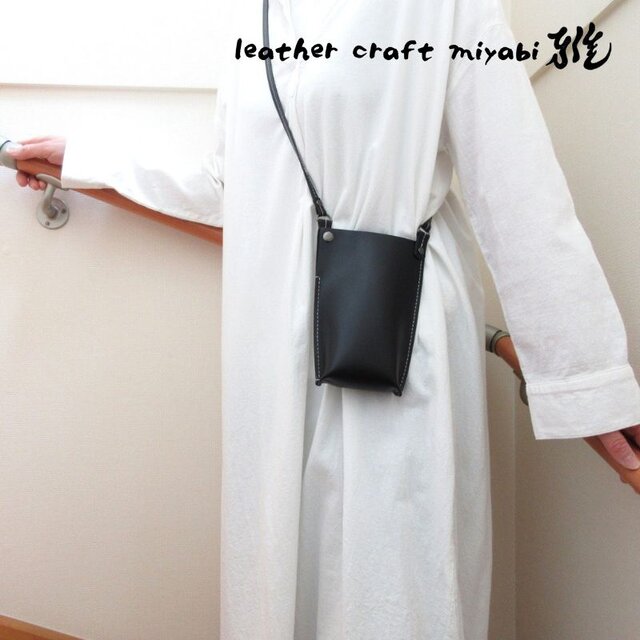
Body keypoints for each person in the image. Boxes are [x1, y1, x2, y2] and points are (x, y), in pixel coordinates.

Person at [8, 0, 640, 637]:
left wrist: (591, 387)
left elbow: (517, 188)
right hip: (274, 339)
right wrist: (88, 163)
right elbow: (233, 189)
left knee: (390, 578)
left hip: (399, 336)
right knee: (282, 566)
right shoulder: (255, 18)